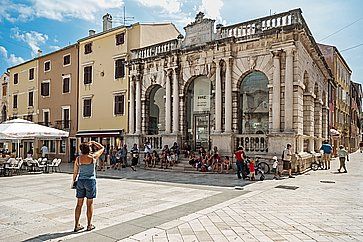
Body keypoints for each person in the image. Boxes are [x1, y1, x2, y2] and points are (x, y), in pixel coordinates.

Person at [72, 140, 104, 232]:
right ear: (89, 149)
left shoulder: (78, 159)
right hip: (90, 181)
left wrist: (73, 182)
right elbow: (102, 148)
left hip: (81, 181)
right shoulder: (93, 157)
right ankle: (89, 225)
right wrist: (93, 142)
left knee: (79, 204)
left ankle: (76, 225)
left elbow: (75, 172)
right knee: (89, 204)